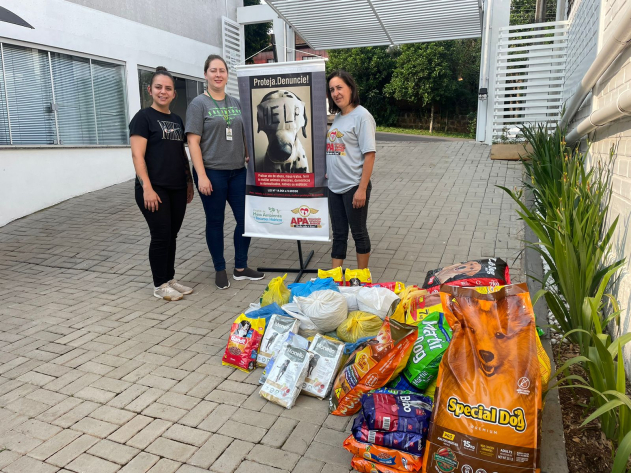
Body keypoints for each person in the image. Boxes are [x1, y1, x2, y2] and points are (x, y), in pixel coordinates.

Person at [186, 55, 265, 290]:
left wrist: (248, 152)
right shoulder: (198, 104)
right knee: (215, 222)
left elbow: (244, 133)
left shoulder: (236, 102)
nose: (218, 74)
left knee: (245, 220)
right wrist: (201, 176)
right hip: (212, 173)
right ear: (206, 74)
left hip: (237, 172)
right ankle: (220, 269)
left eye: (222, 70)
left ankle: (240, 268)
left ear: (227, 75)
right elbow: (193, 142)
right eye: (213, 70)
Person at [130, 67, 195, 301]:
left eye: (168, 88)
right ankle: (159, 284)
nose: (163, 91)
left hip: (177, 187)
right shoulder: (142, 118)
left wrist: (189, 183)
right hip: (154, 189)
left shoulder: (177, 120)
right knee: (160, 235)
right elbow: (138, 156)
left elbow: (181, 154)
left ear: (174, 93)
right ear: (150, 90)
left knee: (172, 235)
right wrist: (146, 187)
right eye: (158, 87)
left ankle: (169, 279)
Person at [325, 70, 376, 270]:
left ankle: (362, 279)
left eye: (339, 88)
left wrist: (362, 189)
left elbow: (369, 155)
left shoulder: (362, 116)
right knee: (338, 234)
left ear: (350, 88)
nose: (336, 93)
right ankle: (336, 278)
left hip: (353, 186)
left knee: (358, 233)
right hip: (334, 187)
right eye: (332, 90)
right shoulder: (338, 117)